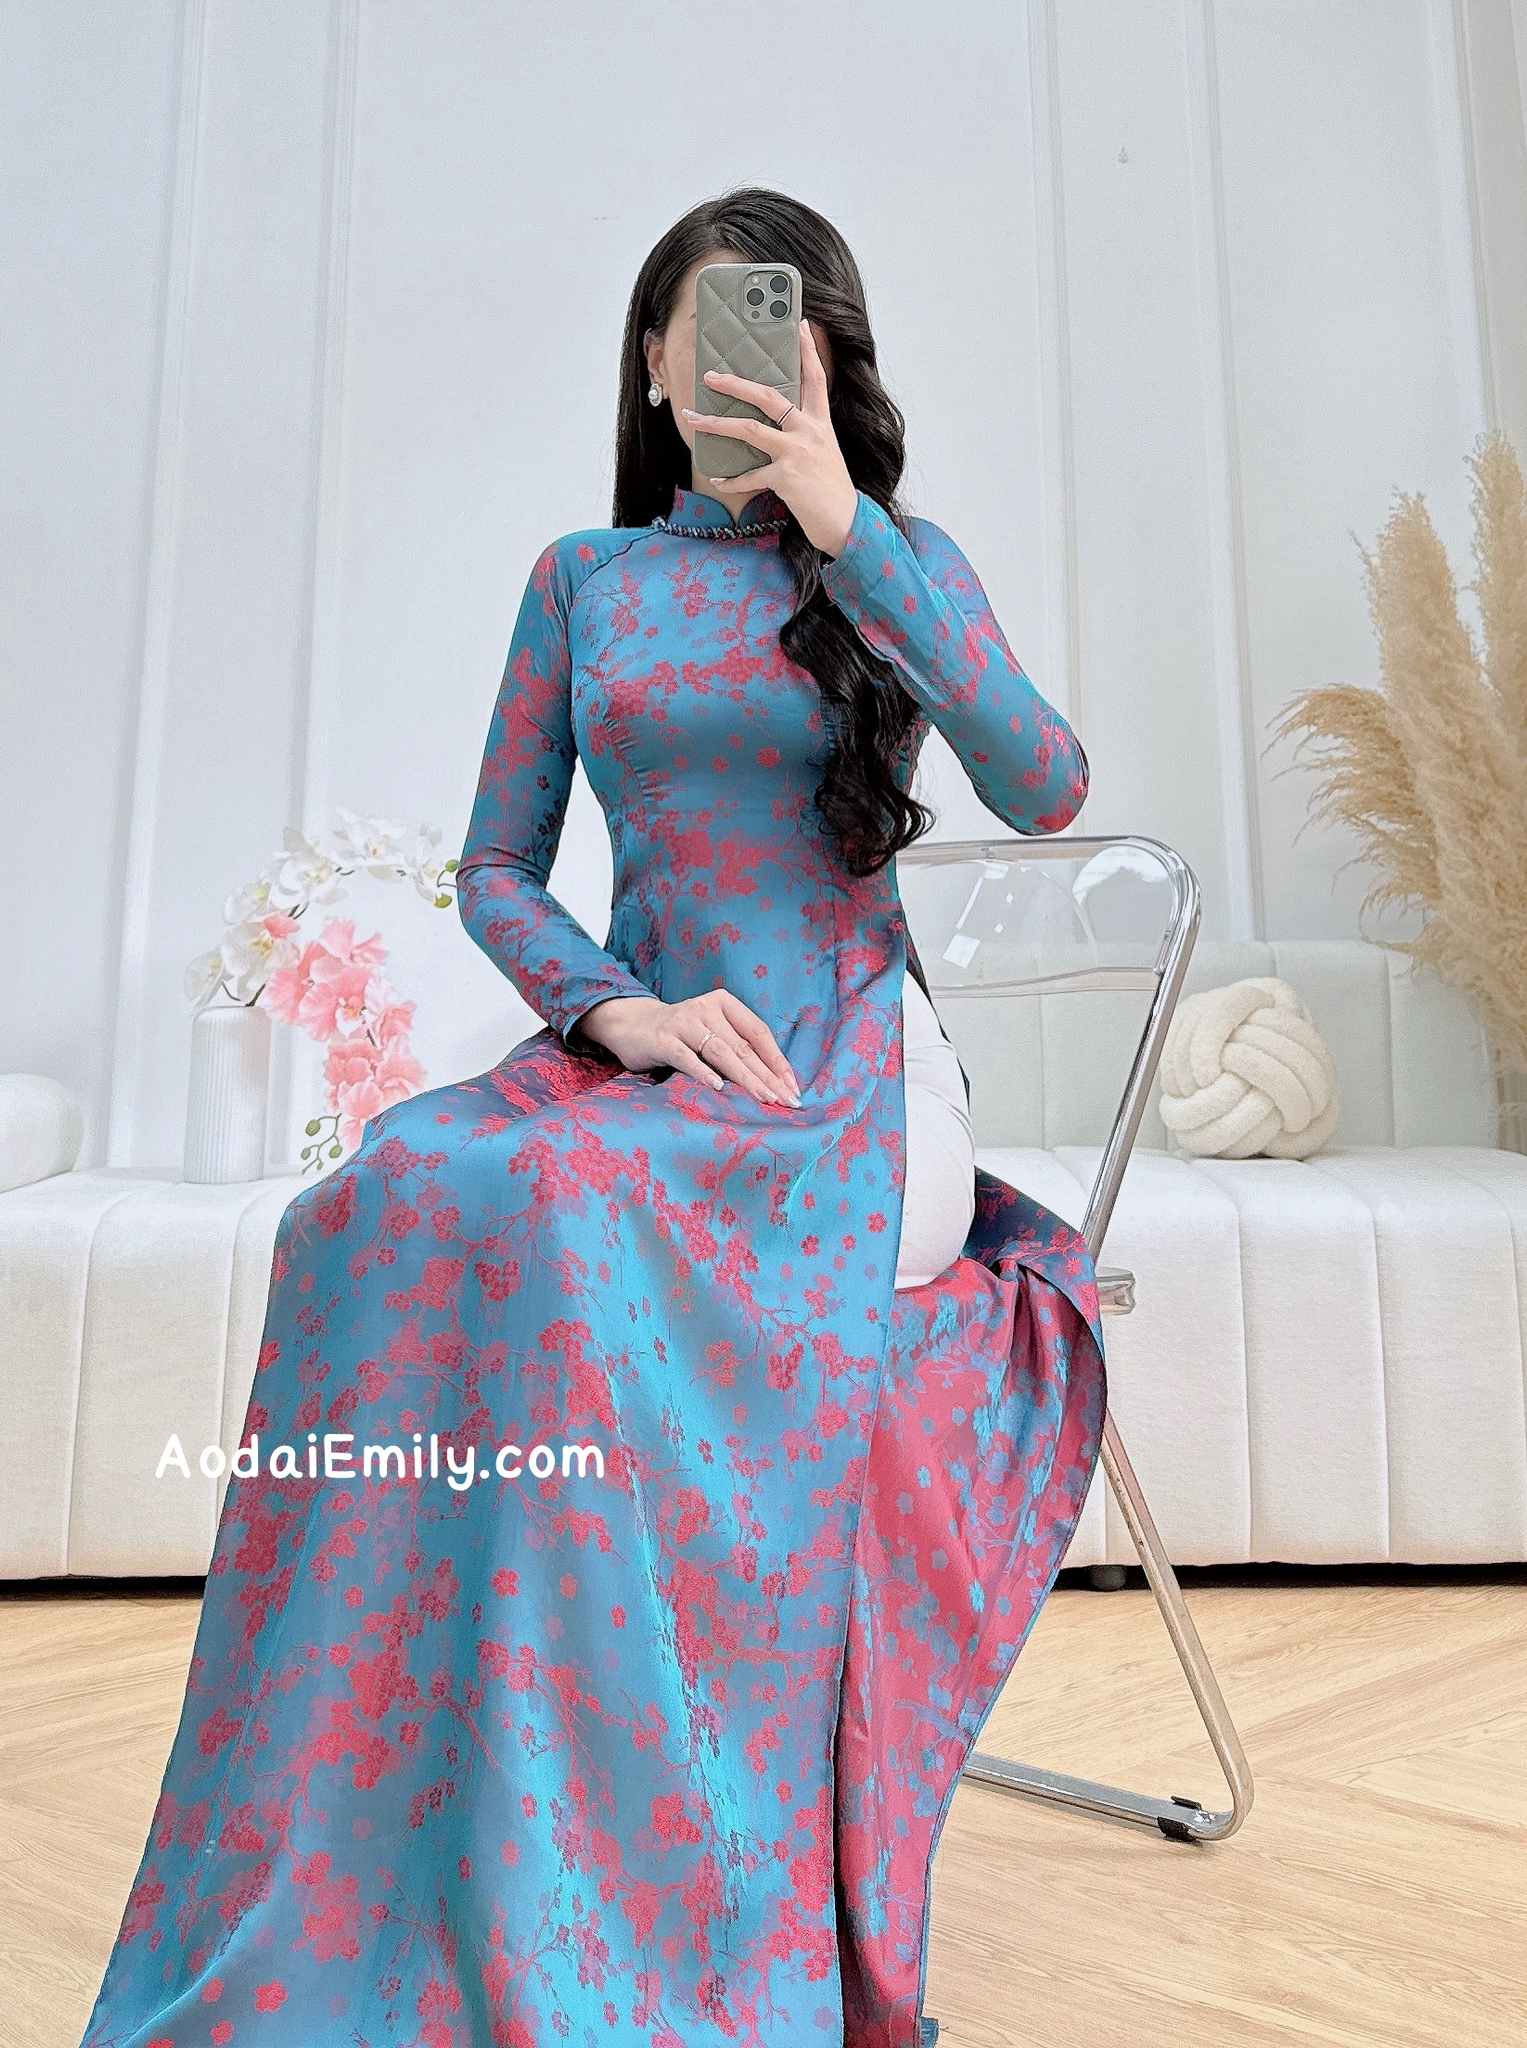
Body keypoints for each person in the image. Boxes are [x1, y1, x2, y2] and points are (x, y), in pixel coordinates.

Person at [79, 186, 1105, 2048]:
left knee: (556, 1222)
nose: (740, 365)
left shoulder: (895, 560)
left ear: (828, 360)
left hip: (842, 1078)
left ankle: (624, 1861)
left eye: (779, 331)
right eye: (703, 329)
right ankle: (398, 1831)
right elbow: (496, 864)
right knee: (388, 1191)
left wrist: (849, 532)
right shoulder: (585, 580)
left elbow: (1044, 782)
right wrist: (615, 1008)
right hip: (637, 1054)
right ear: (650, 363)